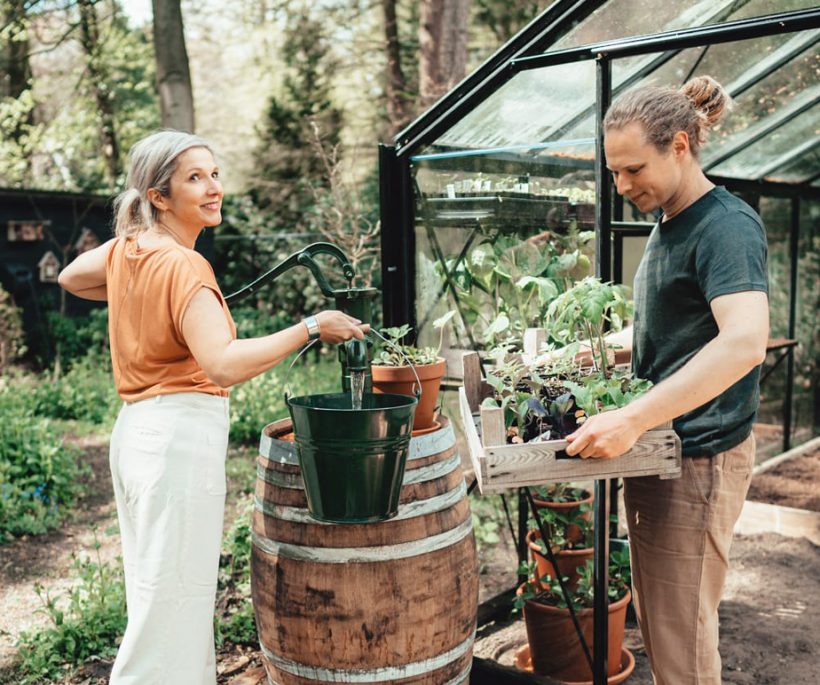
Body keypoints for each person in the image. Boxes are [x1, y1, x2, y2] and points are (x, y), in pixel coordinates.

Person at [58, 130, 368, 684]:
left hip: (136, 435)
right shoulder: (182, 265)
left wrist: (138, 275)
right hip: (176, 440)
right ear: (158, 196)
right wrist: (311, 327)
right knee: (169, 611)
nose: (213, 188)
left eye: (215, 174)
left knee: (164, 598)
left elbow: (70, 277)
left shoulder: (134, 249)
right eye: (194, 178)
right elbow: (222, 363)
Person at [564, 76, 769, 684]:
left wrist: (631, 417)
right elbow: (675, 330)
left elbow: (743, 341)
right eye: (615, 173)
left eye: (633, 169)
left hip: (700, 461)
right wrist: (587, 353)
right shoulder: (672, 222)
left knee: (683, 641)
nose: (623, 186)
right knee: (664, 628)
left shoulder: (725, 226)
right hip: (664, 452)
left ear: (680, 145)